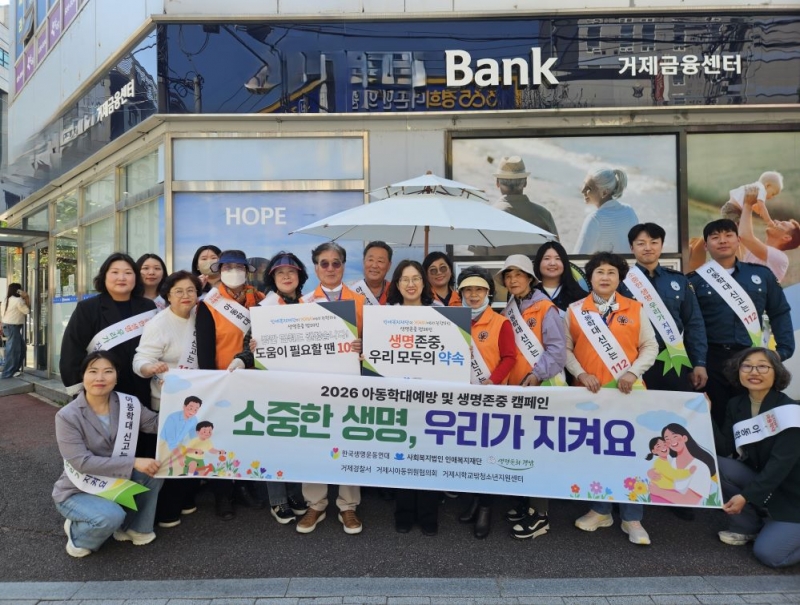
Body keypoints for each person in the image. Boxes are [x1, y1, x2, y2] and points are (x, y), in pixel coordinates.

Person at [566, 252, 658, 545]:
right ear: (590, 277)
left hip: (628, 393)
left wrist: (632, 372)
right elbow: (565, 349)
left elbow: (650, 346)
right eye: (599, 272)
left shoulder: (635, 308)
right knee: (596, 452)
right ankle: (600, 510)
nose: (605, 277)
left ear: (619, 278)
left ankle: (633, 518)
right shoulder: (575, 310)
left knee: (631, 454)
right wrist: (581, 373)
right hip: (589, 393)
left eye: (611, 273)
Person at [52, 351, 162, 557]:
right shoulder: (67, 416)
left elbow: (156, 425)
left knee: (154, 470)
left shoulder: (129, 404)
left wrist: (172, 396)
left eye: (108, 371)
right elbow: (82, 462)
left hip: (114, 482)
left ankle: (134, 527)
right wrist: (133, 462)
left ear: (117, 376)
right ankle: (77, 533)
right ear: (83, 376)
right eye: (93, 371)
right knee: (110, 517)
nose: (100, 378)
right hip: (78, 489)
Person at [687, 219, 794, 429]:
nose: (722, 241)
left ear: (738, 240)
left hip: (750, 357)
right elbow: (691, 324)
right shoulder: (694, 281)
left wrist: (783, 350)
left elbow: (779, 312)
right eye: (715, 237)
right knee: (716, 418)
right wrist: (697, 363)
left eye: (728, 235)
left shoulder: (761, 274)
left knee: (754, 418)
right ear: (706, 245)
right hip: (711, 360)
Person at [230, 251, 310, 525]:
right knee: (275, 444)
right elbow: (248, 348)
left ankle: (296, 494)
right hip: (273, 388)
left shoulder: (313, 306)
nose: (286, 277)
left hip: (304, 388)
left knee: (300, 443)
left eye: (291, 272)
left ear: (300, 275)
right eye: (280, 273)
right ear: (272, 279)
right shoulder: (264, 310)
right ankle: (278, 499)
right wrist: (242, 359)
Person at [297, 242, 365, 535]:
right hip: (314, 385)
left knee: (349, 439)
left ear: (343, 266)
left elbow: (375, 343)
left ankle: (348, 505)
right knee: (313, 441)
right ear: (315, 268)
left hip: (350, 384)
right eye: (324, 263)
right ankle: (315, 503)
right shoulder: (303, 303)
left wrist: (364, 346)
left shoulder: (360, 302)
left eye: (336, 263)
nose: (330, 268)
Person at [496, 255, 566, 541]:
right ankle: (527, 504)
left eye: (518, 274)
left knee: (539, 452)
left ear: (529, 277)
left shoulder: (546, 308)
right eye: (508, 275)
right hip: (517, 390)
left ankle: (540, 514)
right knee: (522, 450)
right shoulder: (509, 309)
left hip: (542, 387)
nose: (513, 279)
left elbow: (557, 351)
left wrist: (537, 374)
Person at [714, 347, 800, 568]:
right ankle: (748, 526)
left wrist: (746, 496)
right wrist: (706, 412)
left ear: (776, 372)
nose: (754, 372)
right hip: (768, 485)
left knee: (769, 554)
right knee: (716, 466)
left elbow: (780, 466)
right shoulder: (736, 405)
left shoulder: (790, 410)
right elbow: (724, 449)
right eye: (747, 366)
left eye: (762, 366)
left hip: (793, 494)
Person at [196, 249, 265, 519]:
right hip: (223, 379)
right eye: (227, 267)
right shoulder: (209, 304)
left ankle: (245, 486)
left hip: (254, 379)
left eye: (238, 267)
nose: (233, 272)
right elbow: (204, 349)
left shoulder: (260, 300)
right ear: (219, 271)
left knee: (248, 434)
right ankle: (223, 494)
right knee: (222, 437)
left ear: (247, 271)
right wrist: (210, 381)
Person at [133, 270, 202, 528]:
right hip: (168, 402)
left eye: (191, 290)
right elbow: (140, 359)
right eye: (179, 291)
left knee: (192, 452)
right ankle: (165, 510)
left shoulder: (201, 316)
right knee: (171, 457)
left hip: (198, 400)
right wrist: (150, 368)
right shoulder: (159, 323)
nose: (186, 295)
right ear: (168, 296)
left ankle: (186, 499)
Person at [456, 265, 517, 539]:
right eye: (468, 289)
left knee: (489, 455)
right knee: (469, 454)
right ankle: (473, 501)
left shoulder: (500, 322)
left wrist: (492, 381)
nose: (473, 294)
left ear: (488, 293)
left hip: (491, 398)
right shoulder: (453, 321)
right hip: (461, 399)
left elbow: (509, 357)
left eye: (479, 289)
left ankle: (485, 507)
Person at [60, 253, 157, 414]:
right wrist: (80, 392)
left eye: (128, 273)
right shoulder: (87, 308)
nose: (122, 278)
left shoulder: (148, 307)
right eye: (115, 272)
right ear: (104, 276)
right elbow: (72, 350)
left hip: (142, 390)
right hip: (102, 392)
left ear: (135, 277)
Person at [385, 260, 440, 536]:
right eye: (405, 279)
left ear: (423, 282)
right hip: (398, 397)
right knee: (402, 455)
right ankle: (404, 512)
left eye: (416, 278)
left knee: (429, 455)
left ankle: (428, 513)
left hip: (432, 398)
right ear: (397, 284)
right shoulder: (385, 316)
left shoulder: (439, 313)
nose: (410, 284)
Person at [620, 223, 708, 392]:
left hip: (673, 357)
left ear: (661, 245)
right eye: (641, 243)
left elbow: (694, 323)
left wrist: (699, 363)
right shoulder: (622, 281)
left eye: (654, 242)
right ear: (632, 248)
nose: (648, 248)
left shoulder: (679, 280)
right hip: (634, 361)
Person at [472, 156, 559, 256]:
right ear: (525, 182)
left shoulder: (485, 218)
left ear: (497, 183)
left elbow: (477, 259)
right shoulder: (544, 215)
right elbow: (557, 252)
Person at [737, 190, 800, 283]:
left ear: (786, 238)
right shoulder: (754, 249)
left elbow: (745, 236)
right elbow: (740, 234)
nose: (776, 221)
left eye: (782, 224)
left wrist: (748, 205)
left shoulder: (781, 258)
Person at [647, 423, 717, 506]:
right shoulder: (670, 461)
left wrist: (659, 492)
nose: (672, 441)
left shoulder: (701, 467)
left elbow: (690, 501)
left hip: (688, 511)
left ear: (684, 438)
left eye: (675, 436)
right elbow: (660, 468)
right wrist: (650, 473)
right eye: (667, 439)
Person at [574, 168, 638, 255]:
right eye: (584, 184)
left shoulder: (595, 219)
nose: (582, 191)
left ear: (604, 192)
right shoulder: (629, 211)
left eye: (589, 188)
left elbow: (578, 257)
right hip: (627, 264)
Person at [532, 242, 588, 315]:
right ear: (538, 263)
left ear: (564, 263)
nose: (552, 263)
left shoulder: (580, 297)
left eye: (558, 258)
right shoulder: (530, 294)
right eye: (547, 258)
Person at [349, 241, 393, 306]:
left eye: (380, 261)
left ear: (389, 266)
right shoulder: (351, 292)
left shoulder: (395, 292)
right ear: (363, 262)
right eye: (370, 260)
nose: (374, 265)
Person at [1, 283, 30, 379]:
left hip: (9, 326)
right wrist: (26, 297)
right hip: (12, 327)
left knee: (21, 348)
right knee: (13, 351)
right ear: (18, 291)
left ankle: (15, 370)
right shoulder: (18, 300)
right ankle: (7, 373)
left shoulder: (6, 300)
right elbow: (27, 311)